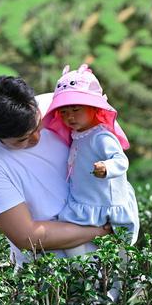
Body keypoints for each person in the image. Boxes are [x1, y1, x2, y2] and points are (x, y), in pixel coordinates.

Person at [0, 76, 110, 265]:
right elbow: (27, 236)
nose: (36, 138)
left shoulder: (61, 105)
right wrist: (100, 231)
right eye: (22, 140)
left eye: (38, 125)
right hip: (52, 271)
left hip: (110, 248)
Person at [42, 64, 139, 256]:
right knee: (75, 248)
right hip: (83, 203)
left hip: (103, 204)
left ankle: (116, 285)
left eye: (76, 109)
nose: (69, 117)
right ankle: (88, 279)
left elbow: (120, 159)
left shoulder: (100, 136)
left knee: (119, 255)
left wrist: (106, 167)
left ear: (94, 108)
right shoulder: (78, 134)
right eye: (63, 112)